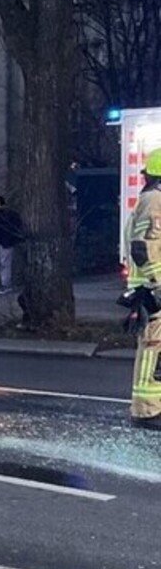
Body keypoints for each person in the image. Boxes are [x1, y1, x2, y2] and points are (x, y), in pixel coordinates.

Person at [125, 149, 161, 430]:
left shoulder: (152, 199)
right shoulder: (155, 200)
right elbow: (143, 248)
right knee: (153, 348)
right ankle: (147, 411)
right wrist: (157, 285)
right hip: (153, 290)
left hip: (151, 288)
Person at [0, 195, 25, 294]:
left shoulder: (10, 215)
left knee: (5, 263)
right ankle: (4, 282)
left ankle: (6, 284)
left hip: (5, 242)